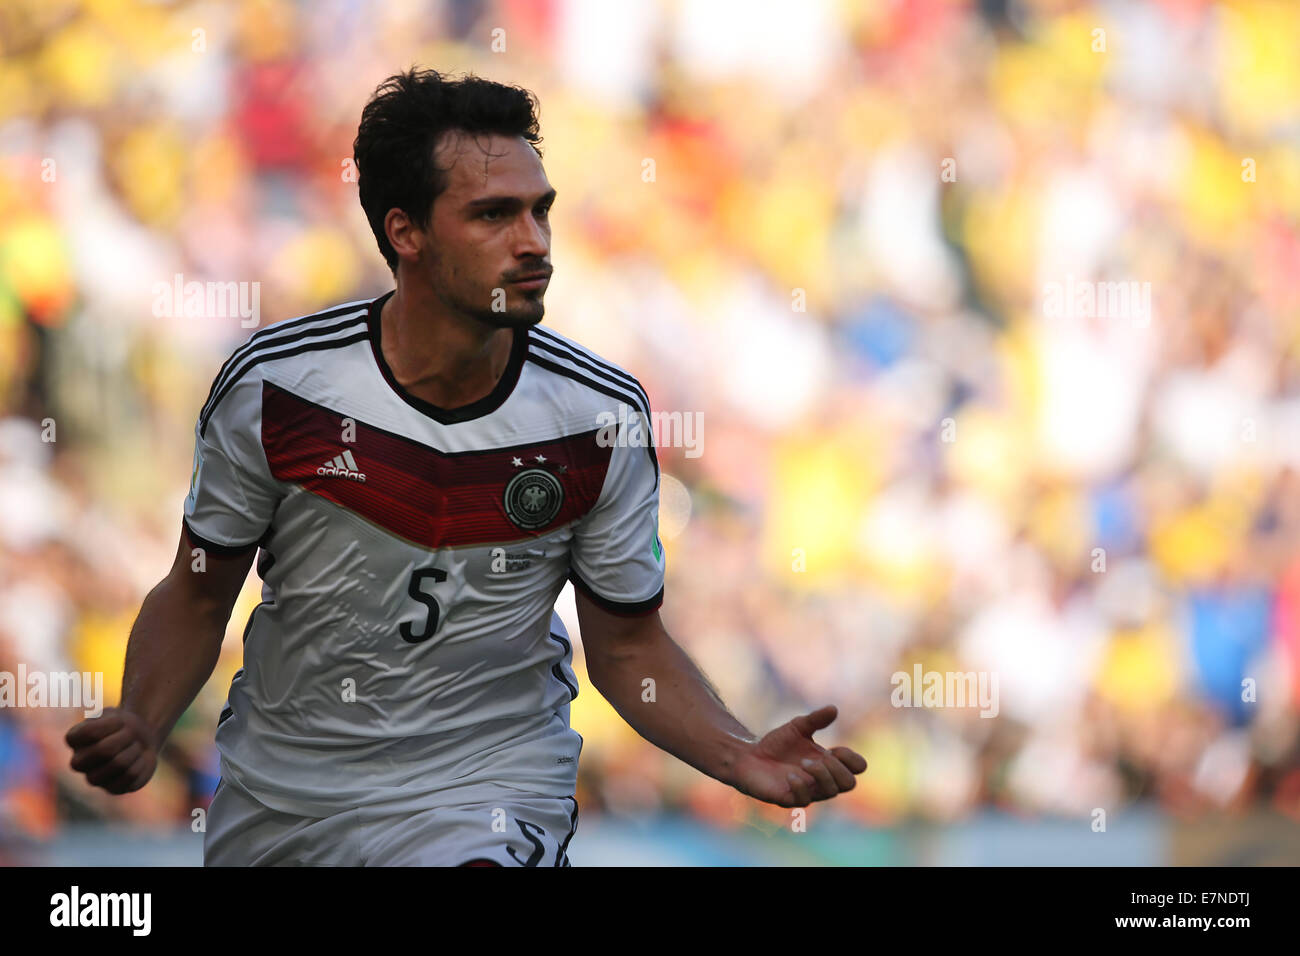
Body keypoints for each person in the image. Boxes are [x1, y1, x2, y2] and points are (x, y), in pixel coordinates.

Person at [64, 68, 867, 866]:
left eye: (539, 211)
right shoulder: (277, 390)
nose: (534, 242)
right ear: (405, 231)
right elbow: (200, 594)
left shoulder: (601, 419)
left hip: (488, 790)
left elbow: (627, 648)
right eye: (494, 215)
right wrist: (141, 717)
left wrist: (739, 753)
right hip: (286, 802)